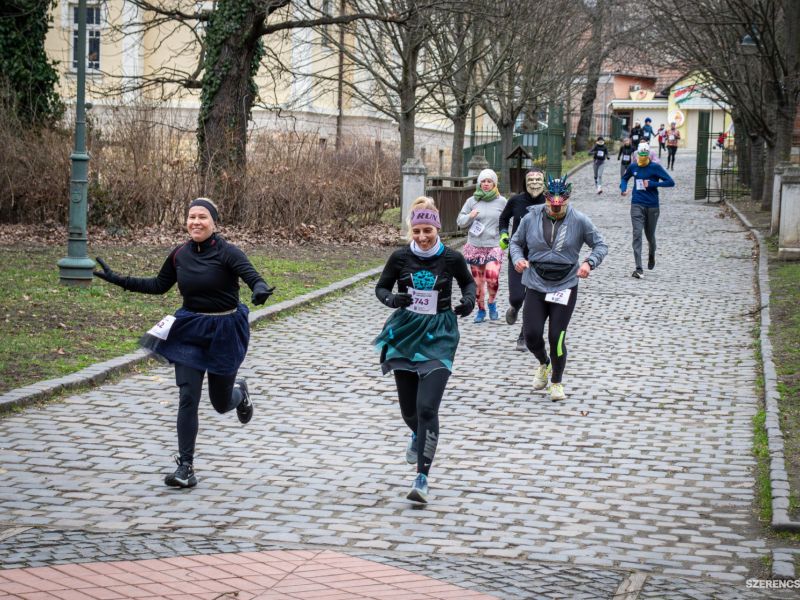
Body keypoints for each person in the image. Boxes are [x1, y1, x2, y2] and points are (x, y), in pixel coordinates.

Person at [93, 198, 274, 488]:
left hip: (225, 330)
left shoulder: (229, 253)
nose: (196, 222)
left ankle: (240, 393)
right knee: (188, 396)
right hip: (190, 328)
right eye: (191, 217)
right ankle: (186, 467)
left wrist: (261, 290)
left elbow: (254, 279)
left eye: (203, 217)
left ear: (214, 223)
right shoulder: (179, 254)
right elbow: (157, 285)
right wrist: (119, 280)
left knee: (219, 403)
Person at [374, 197, 476, 503]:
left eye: (427, 230)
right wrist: (392, 300)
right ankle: (417, 434)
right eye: (416, 230)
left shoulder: (452, 259)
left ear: (437, 228)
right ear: (410, 230)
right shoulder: (400, 257)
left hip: (440, 333)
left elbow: (468, 284)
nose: (422, 236)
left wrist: (469, 302)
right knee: (409, 411)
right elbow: (382, 288)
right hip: (406, 333)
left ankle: (422, 478)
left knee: (427, 408)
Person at [509, 176, 607, 401]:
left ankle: (556, 382)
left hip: (565, 284)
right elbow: (516, 242)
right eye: (551, 206)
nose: (555, 210)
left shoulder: (580, 220)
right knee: (532, 335)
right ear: (545, 200)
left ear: (567, 200)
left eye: (559, 206)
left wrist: (588, 263)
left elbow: (601, 244)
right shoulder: (530, 217)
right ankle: (544, 363)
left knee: (557, 337)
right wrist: (517, 259)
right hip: (535, 281)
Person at [498, 169, 546, 351]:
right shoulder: (516, 201)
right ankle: (514, 308)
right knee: (517, 297)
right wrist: (503, 234)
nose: (534, 183)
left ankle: (523, 336)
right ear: (525, 182)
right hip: (517, 255)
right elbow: (503, 218)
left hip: (540, 258)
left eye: (538, 179)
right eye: (531, 180)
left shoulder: (549, 201)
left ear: (544, 182)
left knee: (533, 300)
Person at [456, 168, 507, 323]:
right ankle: (481, 310)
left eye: (489, 181)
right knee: (478, 283)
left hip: (494, 245)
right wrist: (470, 216)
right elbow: (460, 221)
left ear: (494, 184)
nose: (486, 184)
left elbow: (508, 221)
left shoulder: (502, 201)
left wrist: (506, 237)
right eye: (483, 181)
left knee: (492, 277)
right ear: (479, 183)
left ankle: (491, 303)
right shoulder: (472, 201)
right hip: (475, 246)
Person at [621, 142, 675, 278]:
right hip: (637, 204)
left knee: (650, 236)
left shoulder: (655, 167)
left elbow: (670, 182)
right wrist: (623, 189)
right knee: (637, 234)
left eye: (645, 155)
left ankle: (652, 254)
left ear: (649, 154)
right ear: (637, 154)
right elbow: (625, 178)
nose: (642, 158)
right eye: (641, 155)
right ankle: (639, 268)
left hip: (652, 206)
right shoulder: (633, 166)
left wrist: (653, 184)